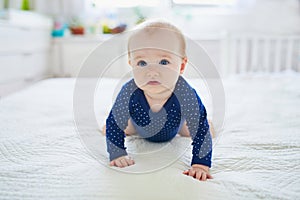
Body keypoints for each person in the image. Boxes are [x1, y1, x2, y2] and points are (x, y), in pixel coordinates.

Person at [104, 20, 213, 181]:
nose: (152, 72)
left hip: (175, 126)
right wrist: (117, 153)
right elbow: (114, 121)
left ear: (181, 67)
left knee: (199, 127)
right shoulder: (129, 91)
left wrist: (200, 164)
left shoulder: (185, 93)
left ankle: (189, 125)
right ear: (131, 64)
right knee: (120, 127)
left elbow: (201, 132)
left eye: (164, 62)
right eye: (142, 63)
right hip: (138, 125)